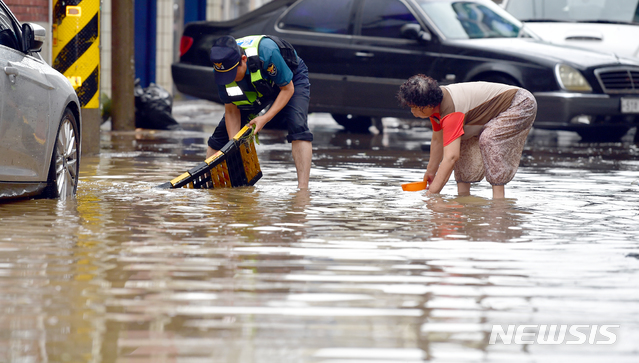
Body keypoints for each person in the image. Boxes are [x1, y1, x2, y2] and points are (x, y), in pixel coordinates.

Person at [397, 74, 537, 198]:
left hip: (520, 103)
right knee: (460, 140)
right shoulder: (436, 106)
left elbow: (451, 157)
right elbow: (438, 140)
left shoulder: (450, 110)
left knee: (489, 139)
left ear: (428, 104)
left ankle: (498, 202)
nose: (412, 112)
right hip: (489, 111)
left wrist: (431, 195)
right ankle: (463, 197)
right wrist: (430, 172)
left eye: (414, 107)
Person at [207, 35, 313, 189]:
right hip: (258, 85)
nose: (229, 79)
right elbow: (231, 111)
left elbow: (287, 88)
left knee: (298, 126)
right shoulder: (222, 70)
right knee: (221, 136)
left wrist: (265, 118)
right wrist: (234, 146)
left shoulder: (267, 53)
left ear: (243, 59)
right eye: (224, 76)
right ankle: (209, 183)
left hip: (290, 79)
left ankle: (302, 190)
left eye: (232, 74)